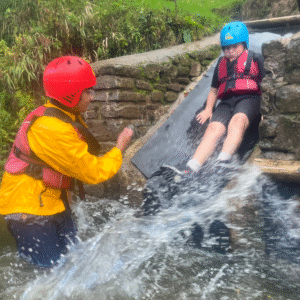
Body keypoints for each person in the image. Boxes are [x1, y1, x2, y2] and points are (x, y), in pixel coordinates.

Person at [0, 56, 133, 268]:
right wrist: (119, 148)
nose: (92, 97)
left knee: (74, 263)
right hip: (29, 212)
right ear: (72, 95)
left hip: (51, 201)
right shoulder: (54, 129)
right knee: (50, 274)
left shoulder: (60, 115)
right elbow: (92, 172)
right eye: (88, 91)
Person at [174, 21, 264, 176]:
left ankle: (224, 160)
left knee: (238, 121)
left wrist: (265, 112)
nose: (229, 51)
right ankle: (192, 166)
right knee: (213, 128)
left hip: (249, 98)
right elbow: (214, 90)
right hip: (227, 102)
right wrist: (209, 109)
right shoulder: (220, 65)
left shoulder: (255, 59)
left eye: (234, 46)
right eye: (226, 48)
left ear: (244, 44)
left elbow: (265, 84)